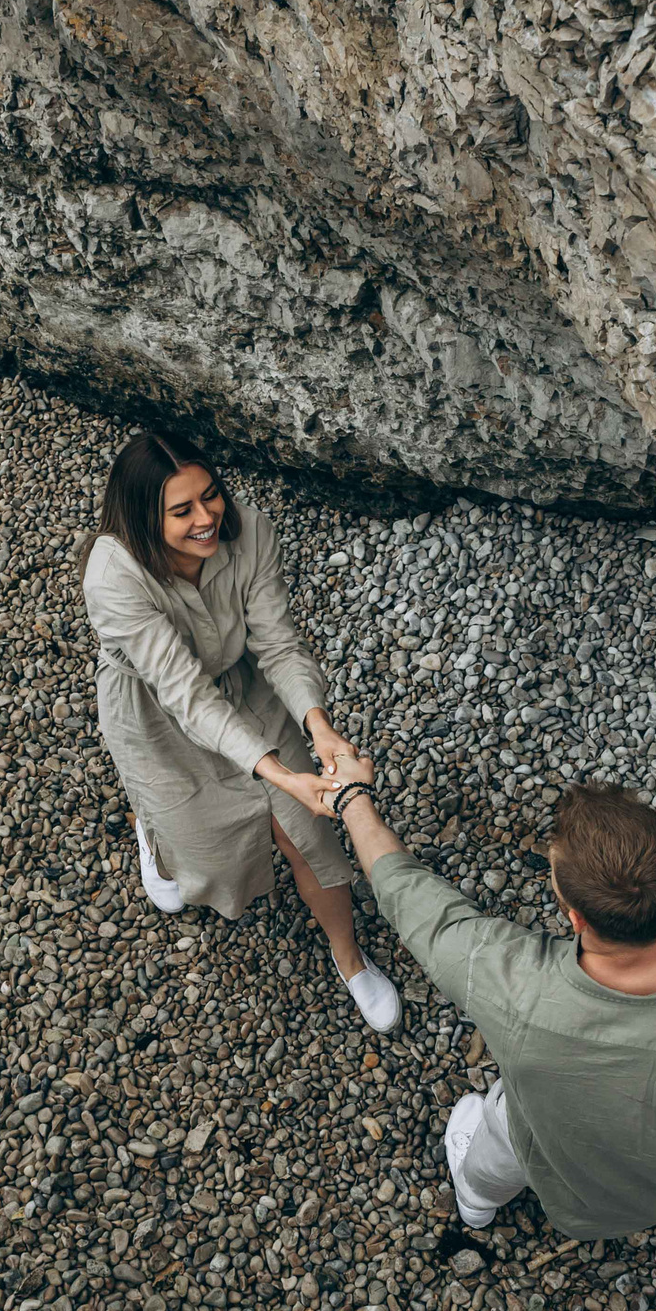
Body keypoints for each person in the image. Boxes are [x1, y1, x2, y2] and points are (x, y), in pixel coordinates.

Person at [318, 763, 656, 1311]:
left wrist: (350, 798)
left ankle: (476, 1200)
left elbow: (411, 897)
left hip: (553, 1159)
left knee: (503, 1119)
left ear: (574, 915)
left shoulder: (511, 982)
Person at [79, 431, 400, 1031]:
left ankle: (350, 958)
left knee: (307, 830)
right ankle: (155, 836)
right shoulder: (111, 575)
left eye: (211, 496)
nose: (207, 518)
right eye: (182, 511)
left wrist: (318, 729)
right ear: (143, 519)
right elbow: (185, 694)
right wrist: (276, 769)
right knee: (199, 843)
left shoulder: (250, 532)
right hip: (156, 712)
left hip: (242, 683)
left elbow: (278, 644)